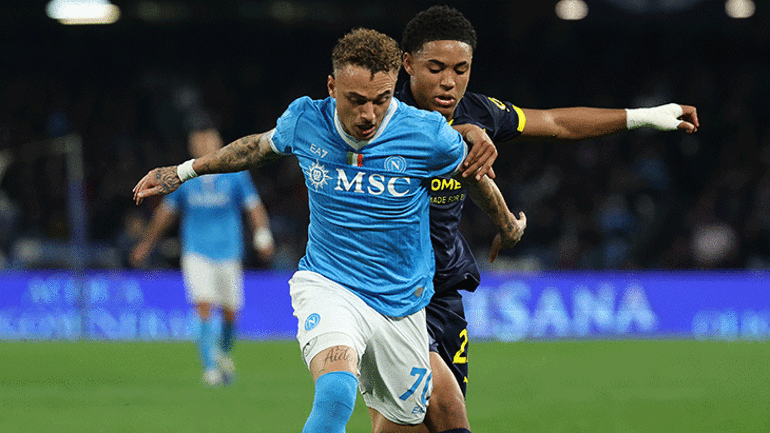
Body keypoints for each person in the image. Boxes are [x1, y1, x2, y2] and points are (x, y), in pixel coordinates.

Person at [133, 28, 524, 433]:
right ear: (332, 87)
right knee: (336, 390)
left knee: (406, 424)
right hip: (329, 283)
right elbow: (257, 148)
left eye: (381, 100)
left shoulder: (426, 134)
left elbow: (475, 176)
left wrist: (508, 225)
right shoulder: (306, 119)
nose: (368, 114)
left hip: (400, 302)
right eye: (356, 100)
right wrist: (183, 171)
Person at [397, 6, 701, 433]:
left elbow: (557, 122)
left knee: (417, 422)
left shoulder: (480, 112)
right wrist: (464, 136)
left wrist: (644, 116)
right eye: (435, 68)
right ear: (407, 63)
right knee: (442, 412)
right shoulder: (382, 117)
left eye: (461, 69)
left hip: (443, 290)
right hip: (390, 289)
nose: (449, 81)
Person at [129, 110, 275, 386]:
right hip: (196, 252)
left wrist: (263, 234)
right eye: (198, 141)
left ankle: (223, 353)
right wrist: (145, 244)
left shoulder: (235, 174)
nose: (204, 145)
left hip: (229, 252)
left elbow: (254, 206)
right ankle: (210, 369)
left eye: (208, 140)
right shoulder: (185, 176)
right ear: (191, 145)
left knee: (230, 313)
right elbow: (166, 213)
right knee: (204, 305)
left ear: (218, 142)